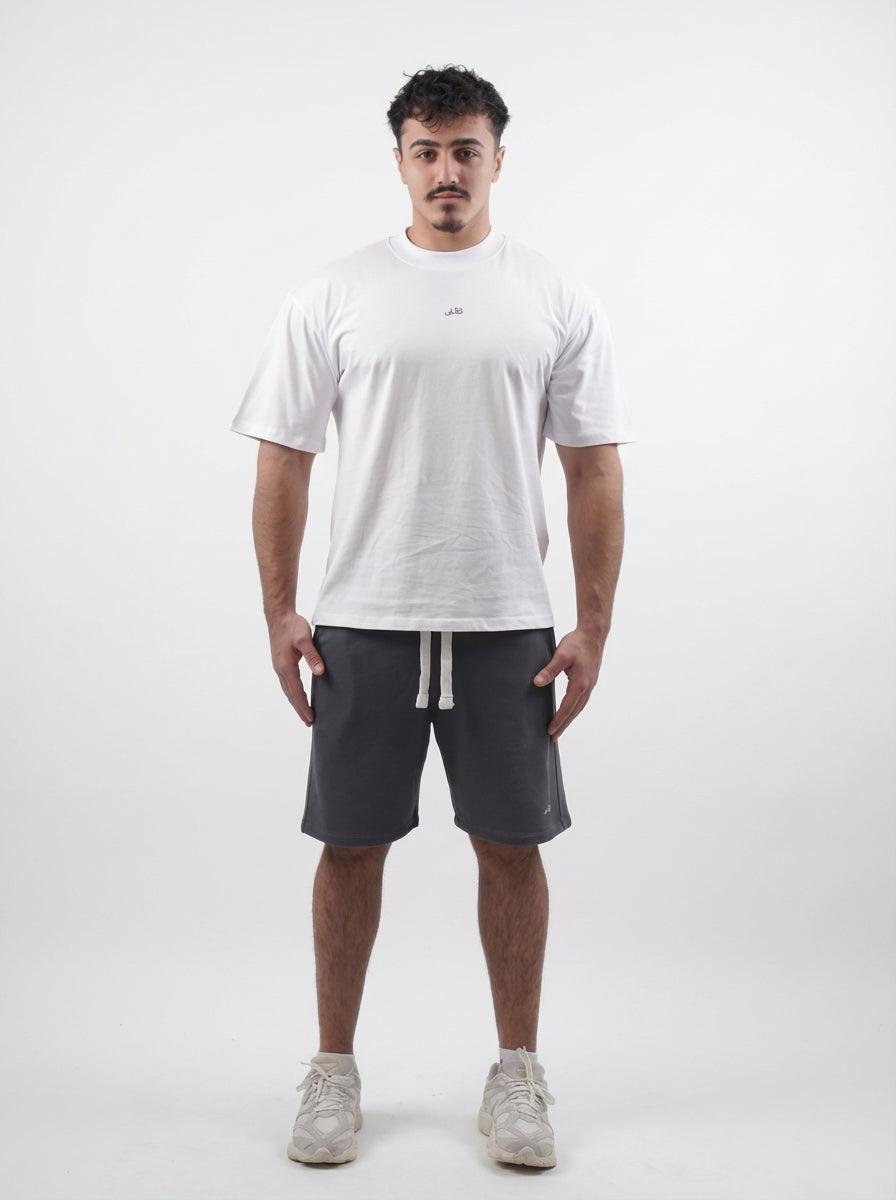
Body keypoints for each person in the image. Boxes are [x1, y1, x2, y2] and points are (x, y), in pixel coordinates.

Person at [231, 64, 631, 1170]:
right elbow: (283, 458)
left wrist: (592, 625)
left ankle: (516, 1074)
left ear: (497, 158)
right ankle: (333, 1071)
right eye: (426, 150)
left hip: (507, 622)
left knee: (511, 845)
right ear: (400, 160)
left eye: (464, 150)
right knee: (349, 846)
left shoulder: (555, 297)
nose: (445, 170)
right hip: (365, 619)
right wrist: (280, 610)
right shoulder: (331, 295)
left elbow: (593, 470)